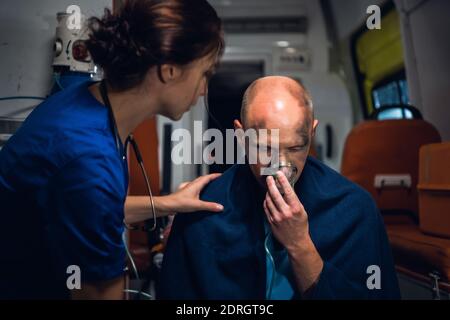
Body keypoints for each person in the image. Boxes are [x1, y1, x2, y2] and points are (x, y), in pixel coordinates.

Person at [0, 0, 224, 299]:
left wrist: (171, 203)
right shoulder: (89, 159)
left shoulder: (82, 98)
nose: (204, 89)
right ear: (169, 71)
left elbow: (87, 209)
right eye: (205, 73)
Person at [159, 76, 401, 300]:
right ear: (241, 136)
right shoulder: (202, 211)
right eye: (266, 150)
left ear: (312, 133)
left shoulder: (355, 208)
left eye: (295, 148)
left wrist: (299, 245)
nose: (281, 167)